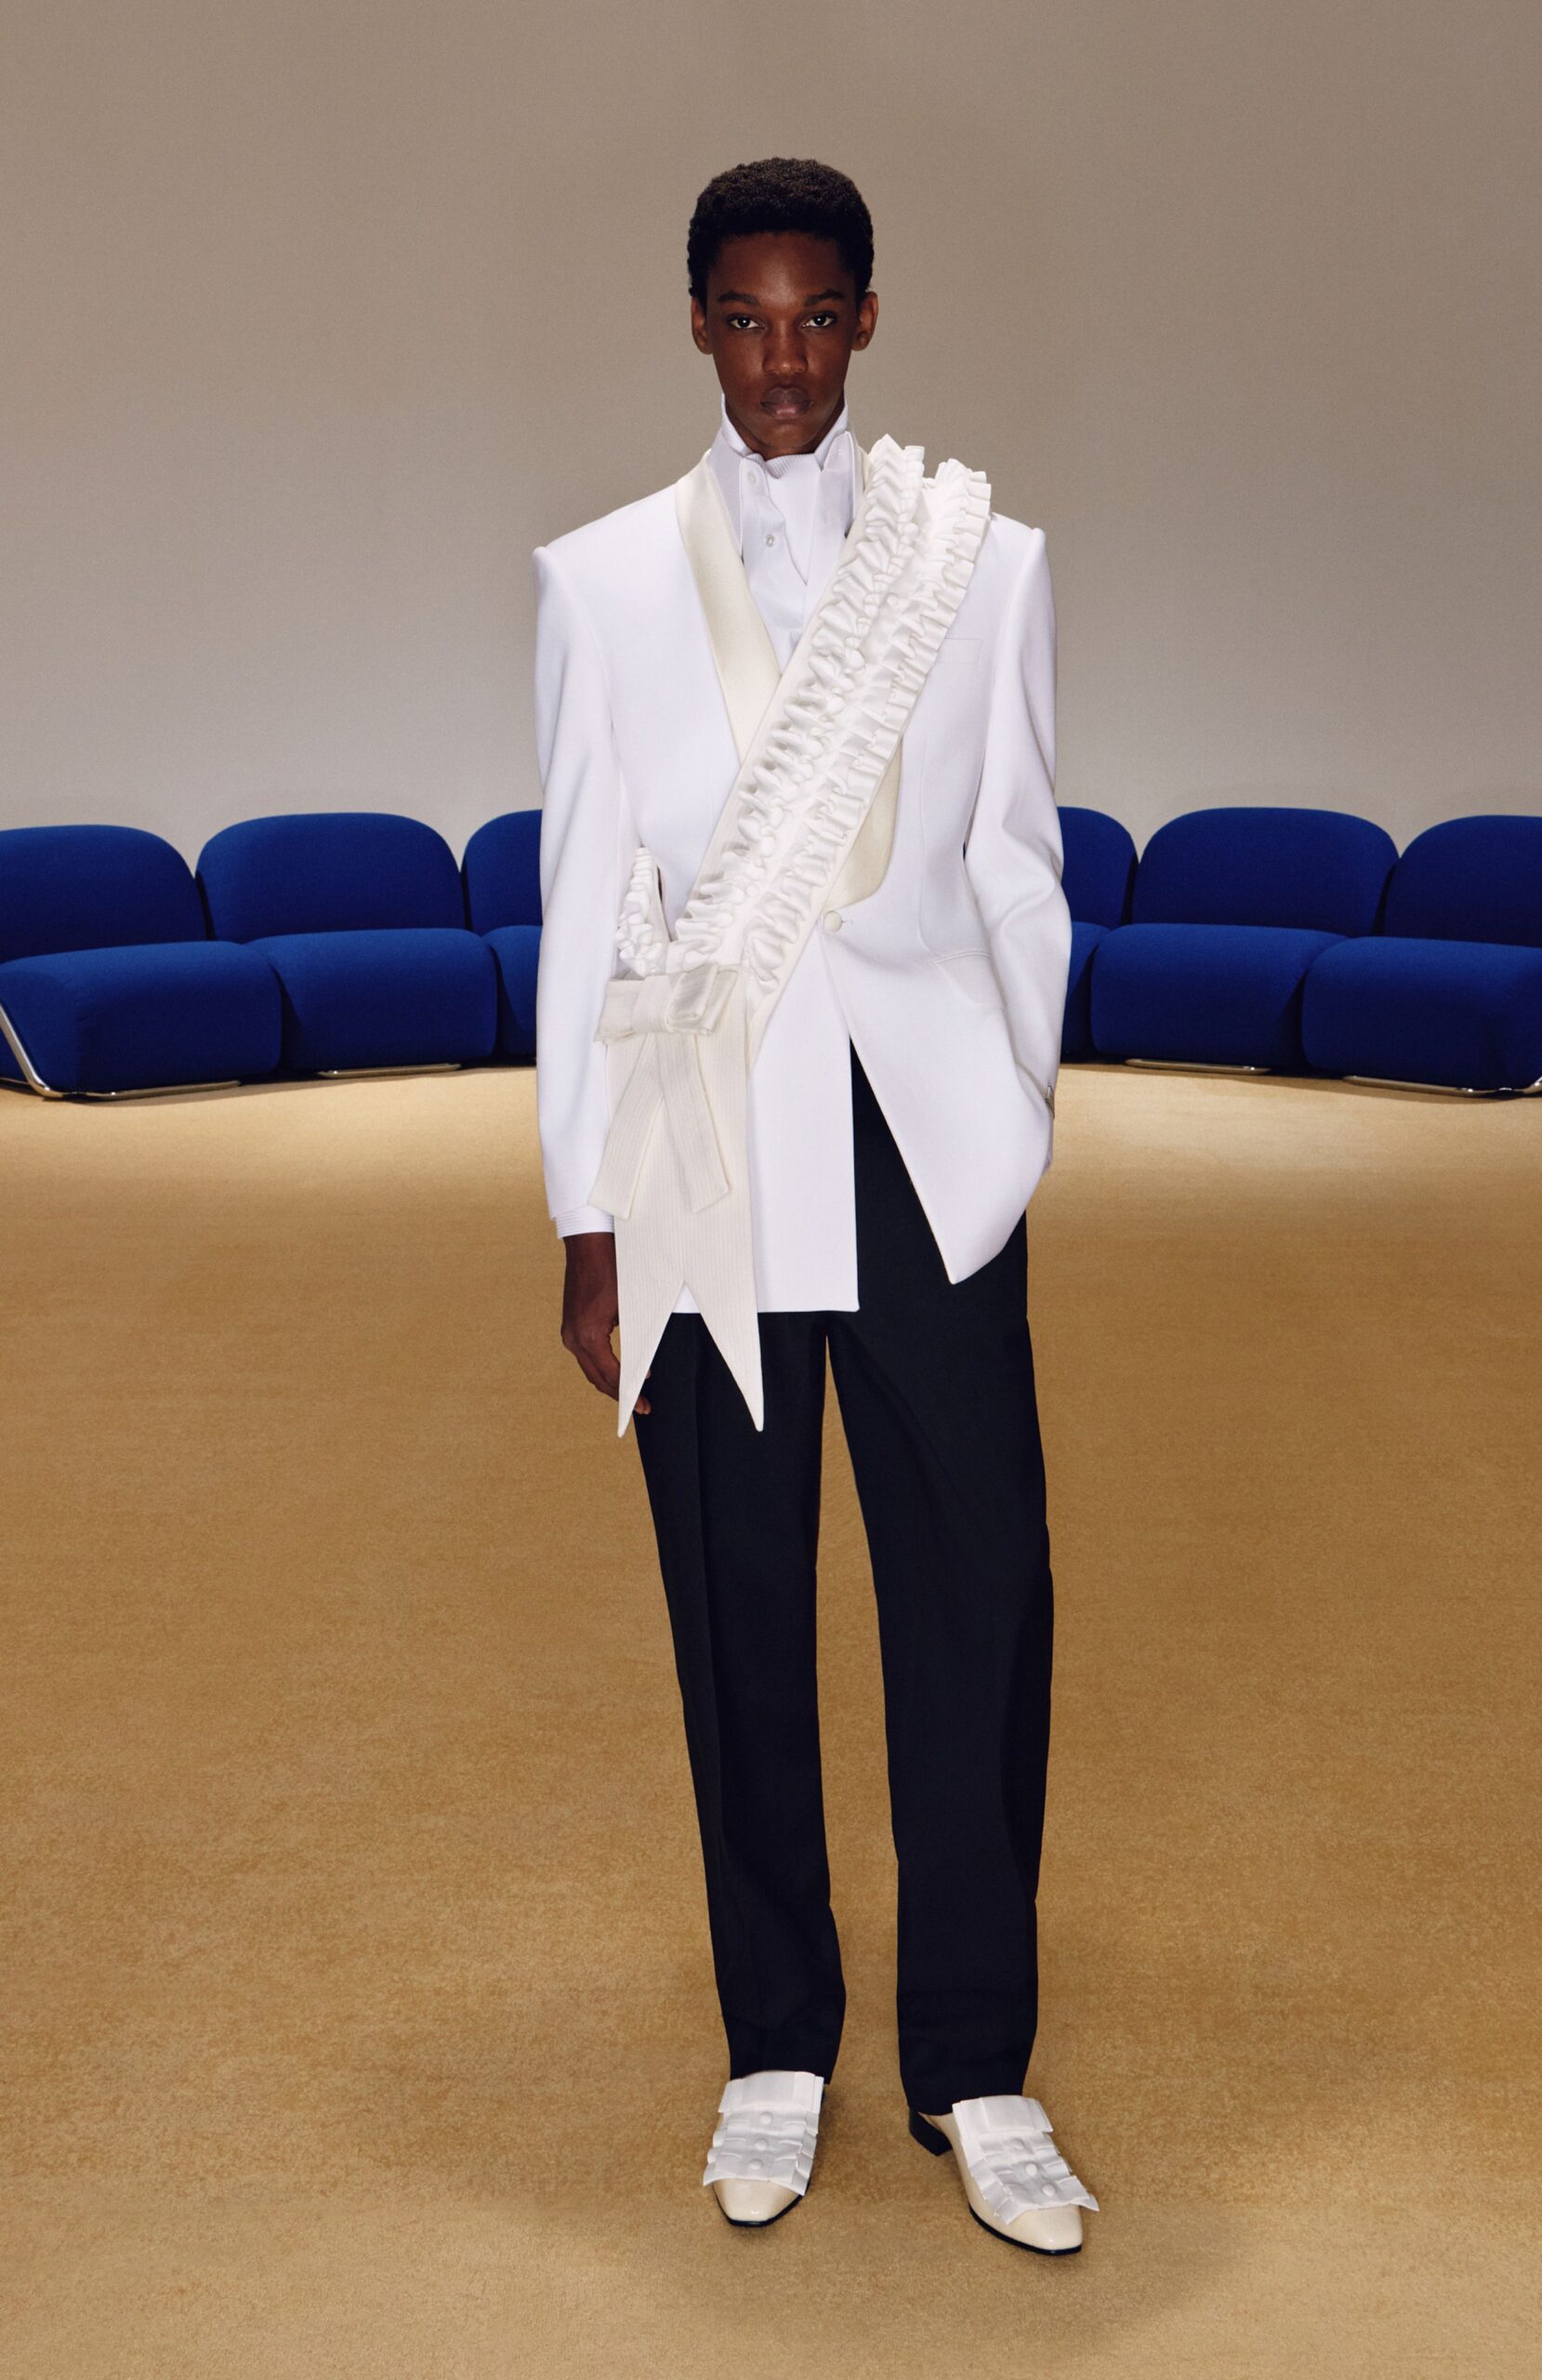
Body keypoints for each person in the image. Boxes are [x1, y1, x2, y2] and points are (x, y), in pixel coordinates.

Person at [534, 157, 1096, 2254]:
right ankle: (774, 2040)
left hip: (921, 1150)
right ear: (696, 321)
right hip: (706, 1145)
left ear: (867, 315)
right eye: (744, 318)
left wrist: (1006, 1114)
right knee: (735, 1600)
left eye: (816, 315)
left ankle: (977, 2060)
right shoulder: (598, 582)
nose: (782, 359)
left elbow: (1019, 861)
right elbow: (584, 901)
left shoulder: (985, 563)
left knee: (980, 1596)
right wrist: (587, 1211)